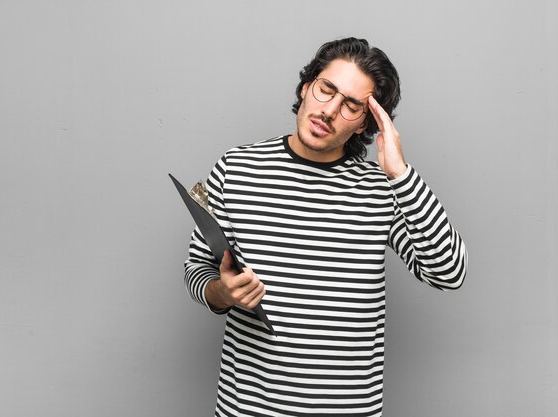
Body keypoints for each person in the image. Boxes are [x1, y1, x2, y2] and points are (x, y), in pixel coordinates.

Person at [184, 37, 467, 417]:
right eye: (326, 89)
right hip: (247, 408)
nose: (329, 110)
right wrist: (224, 293)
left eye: (351, 105)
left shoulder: (383, 189)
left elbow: (448, 273)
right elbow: (197, 270)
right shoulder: (236, 169)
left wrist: (400, 173)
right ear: (306, 87)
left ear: (365, 123)